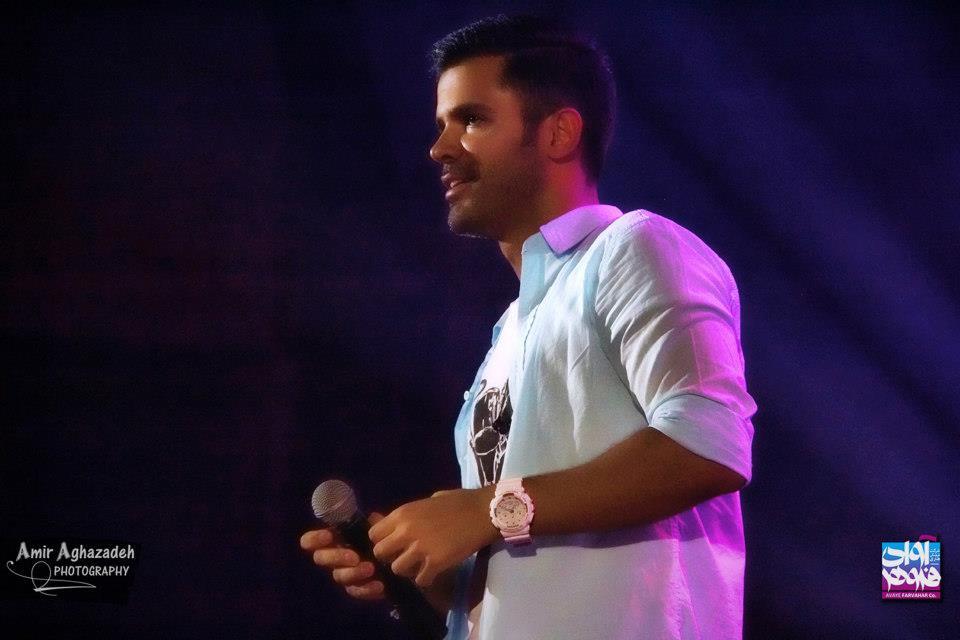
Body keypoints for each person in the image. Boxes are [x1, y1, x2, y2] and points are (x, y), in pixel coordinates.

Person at [301, 14, 756, 640]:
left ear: (559, 132)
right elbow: (522, 560)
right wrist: (424, 569)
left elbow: (707, 446)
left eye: (471, 120)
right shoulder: (509, 332)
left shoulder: (635, 247)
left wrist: (484, 511)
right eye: (441, 125)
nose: (440, 149)